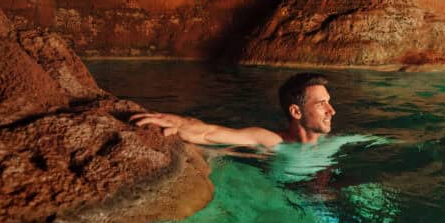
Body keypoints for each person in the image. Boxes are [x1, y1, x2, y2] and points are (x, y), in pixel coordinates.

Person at [131, 72, 335, 148]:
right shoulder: (272, 142)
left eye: (328, 101)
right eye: (321, 103)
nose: (331, 111)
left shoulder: (335, 143)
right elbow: (211, 133)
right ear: (296, 112)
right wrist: (180, 123)